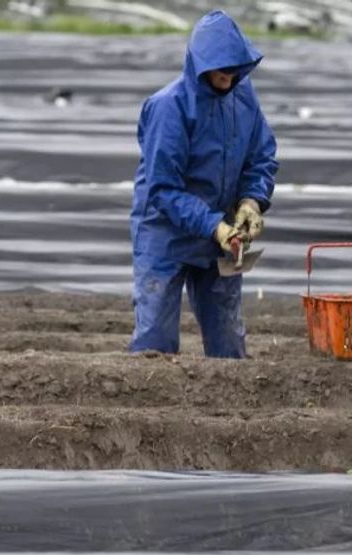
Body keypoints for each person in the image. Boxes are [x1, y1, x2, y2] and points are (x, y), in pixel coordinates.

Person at [129, 10, 278, 359]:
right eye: (221, 70)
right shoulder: (170, 107)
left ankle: (229, 411)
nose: (228, 77)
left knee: (228, 343)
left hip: (222, 231)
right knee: (156, 343)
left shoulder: (243, 99)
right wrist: (214, 227)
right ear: (201, 65)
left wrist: (252, 202)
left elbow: (262, 156)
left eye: (234, 70)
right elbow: (163, 189)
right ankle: (152, 411)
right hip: (166, 233)